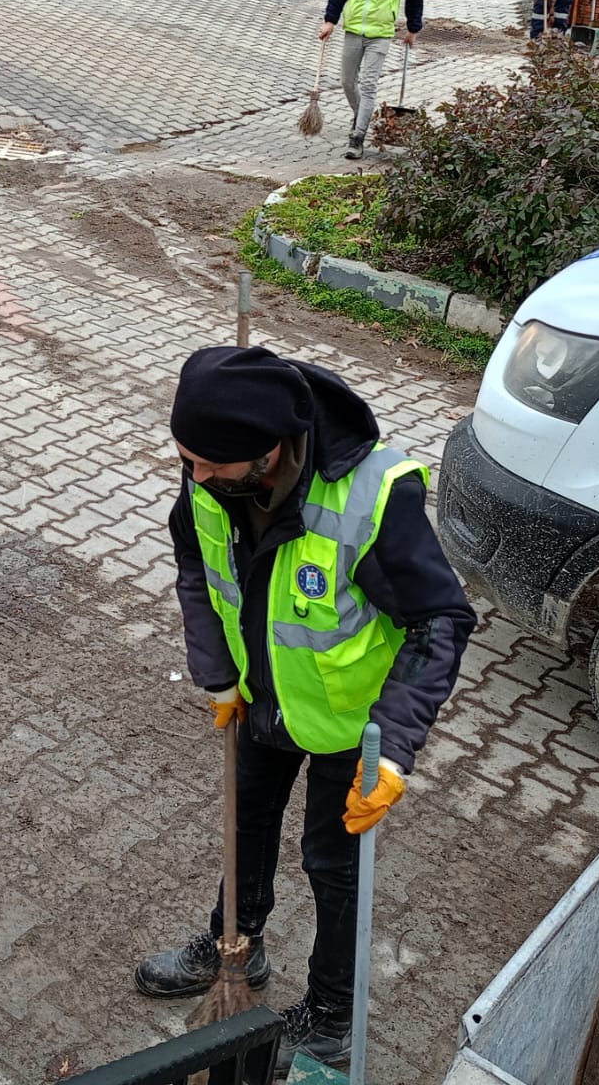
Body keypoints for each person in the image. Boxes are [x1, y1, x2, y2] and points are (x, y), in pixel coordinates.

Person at [137, 346, 478, 1075]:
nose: (194, 476)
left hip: (349, 725)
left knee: (332, 865)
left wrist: (394, 749)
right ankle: (236, 944)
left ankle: (331, 1016)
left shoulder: (372, 498)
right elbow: (196, 565)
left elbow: (441, 621)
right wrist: (218, 675)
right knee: (245, 823)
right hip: (260, 699)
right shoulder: (210, 475)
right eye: (186, 459)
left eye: (208, 464)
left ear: (269, 450)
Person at [318, 0, 424, 161]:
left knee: (368, 85)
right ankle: (362, 116)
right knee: (347, 82)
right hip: (353, 30)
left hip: (381, 34)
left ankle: (358, 137)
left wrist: (413, 28)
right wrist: (330, 20)